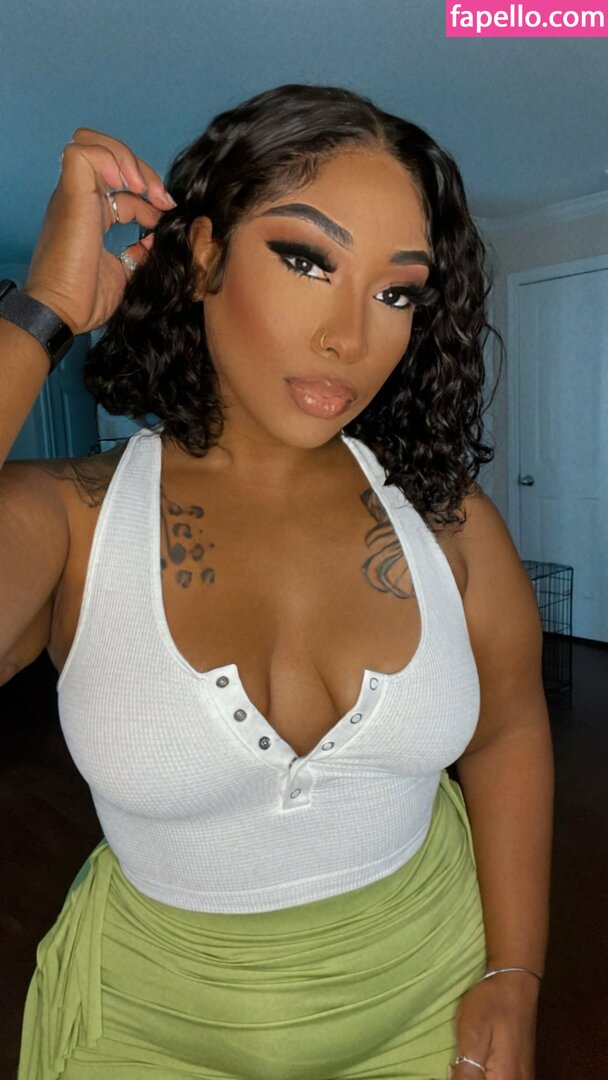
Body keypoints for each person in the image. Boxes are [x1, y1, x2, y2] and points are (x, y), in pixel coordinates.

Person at [0, 84, 553, 1080]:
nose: (352, 336)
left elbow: (508, 726)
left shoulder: (447, 520)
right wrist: (42, 312)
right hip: (146, 1032)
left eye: (396, 293)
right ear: (202, 253)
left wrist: (514, 972)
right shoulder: (71, 521)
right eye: (307, 261)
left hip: (429, 1001)